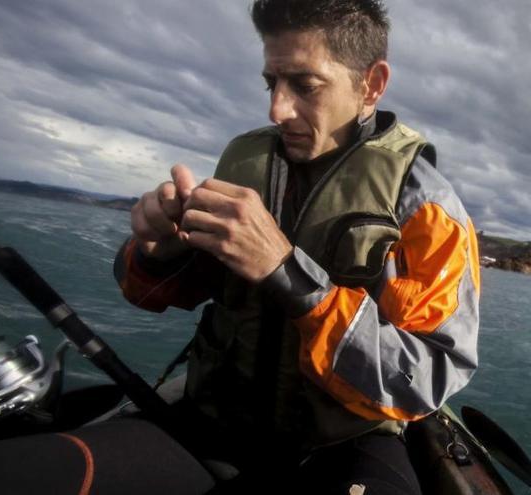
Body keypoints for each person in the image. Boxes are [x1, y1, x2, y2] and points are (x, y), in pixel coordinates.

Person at [113, 0, 480, 492]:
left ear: (371, 84)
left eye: (305, 86)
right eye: (272, 83)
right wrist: (157, 252)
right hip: (212, 422)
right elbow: (154, 293)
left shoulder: (427, 208)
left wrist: (287, 272)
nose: (277, 109)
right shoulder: (246, 164)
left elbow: (430, 377)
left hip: (341, 447)